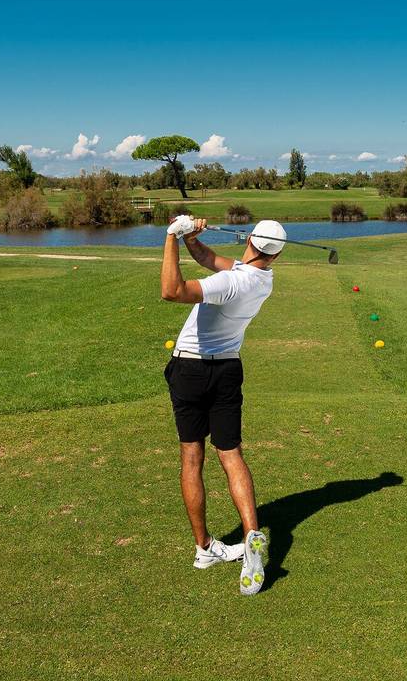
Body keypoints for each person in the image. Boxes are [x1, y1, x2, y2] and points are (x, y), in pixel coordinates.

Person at [159, 214, 286, 596]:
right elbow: (212, 260)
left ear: (248, 238)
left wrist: (169, 236)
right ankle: (250, 536)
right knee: (231, 455)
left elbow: (171, 290)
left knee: (192, 457)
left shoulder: (232, 281)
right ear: (274, 255)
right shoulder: (262, 277)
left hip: (191, 370)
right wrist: (189, 238)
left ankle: (204, 549)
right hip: (228, 369)